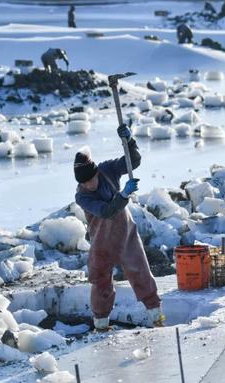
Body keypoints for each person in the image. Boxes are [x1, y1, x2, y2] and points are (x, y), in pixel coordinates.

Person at [74, 124, 164, 330]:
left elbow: (133, 162)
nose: (89, 185)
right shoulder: (82, 196)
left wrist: (129, 142)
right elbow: (106, 211)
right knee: (101, 281)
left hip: (126, 234)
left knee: (141, 273)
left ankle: (157, 318)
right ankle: (101, 326)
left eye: (90, 180)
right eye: (84, 183)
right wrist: (123, 195)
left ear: (96, 172)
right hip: (101, 241)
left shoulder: (107, 171)